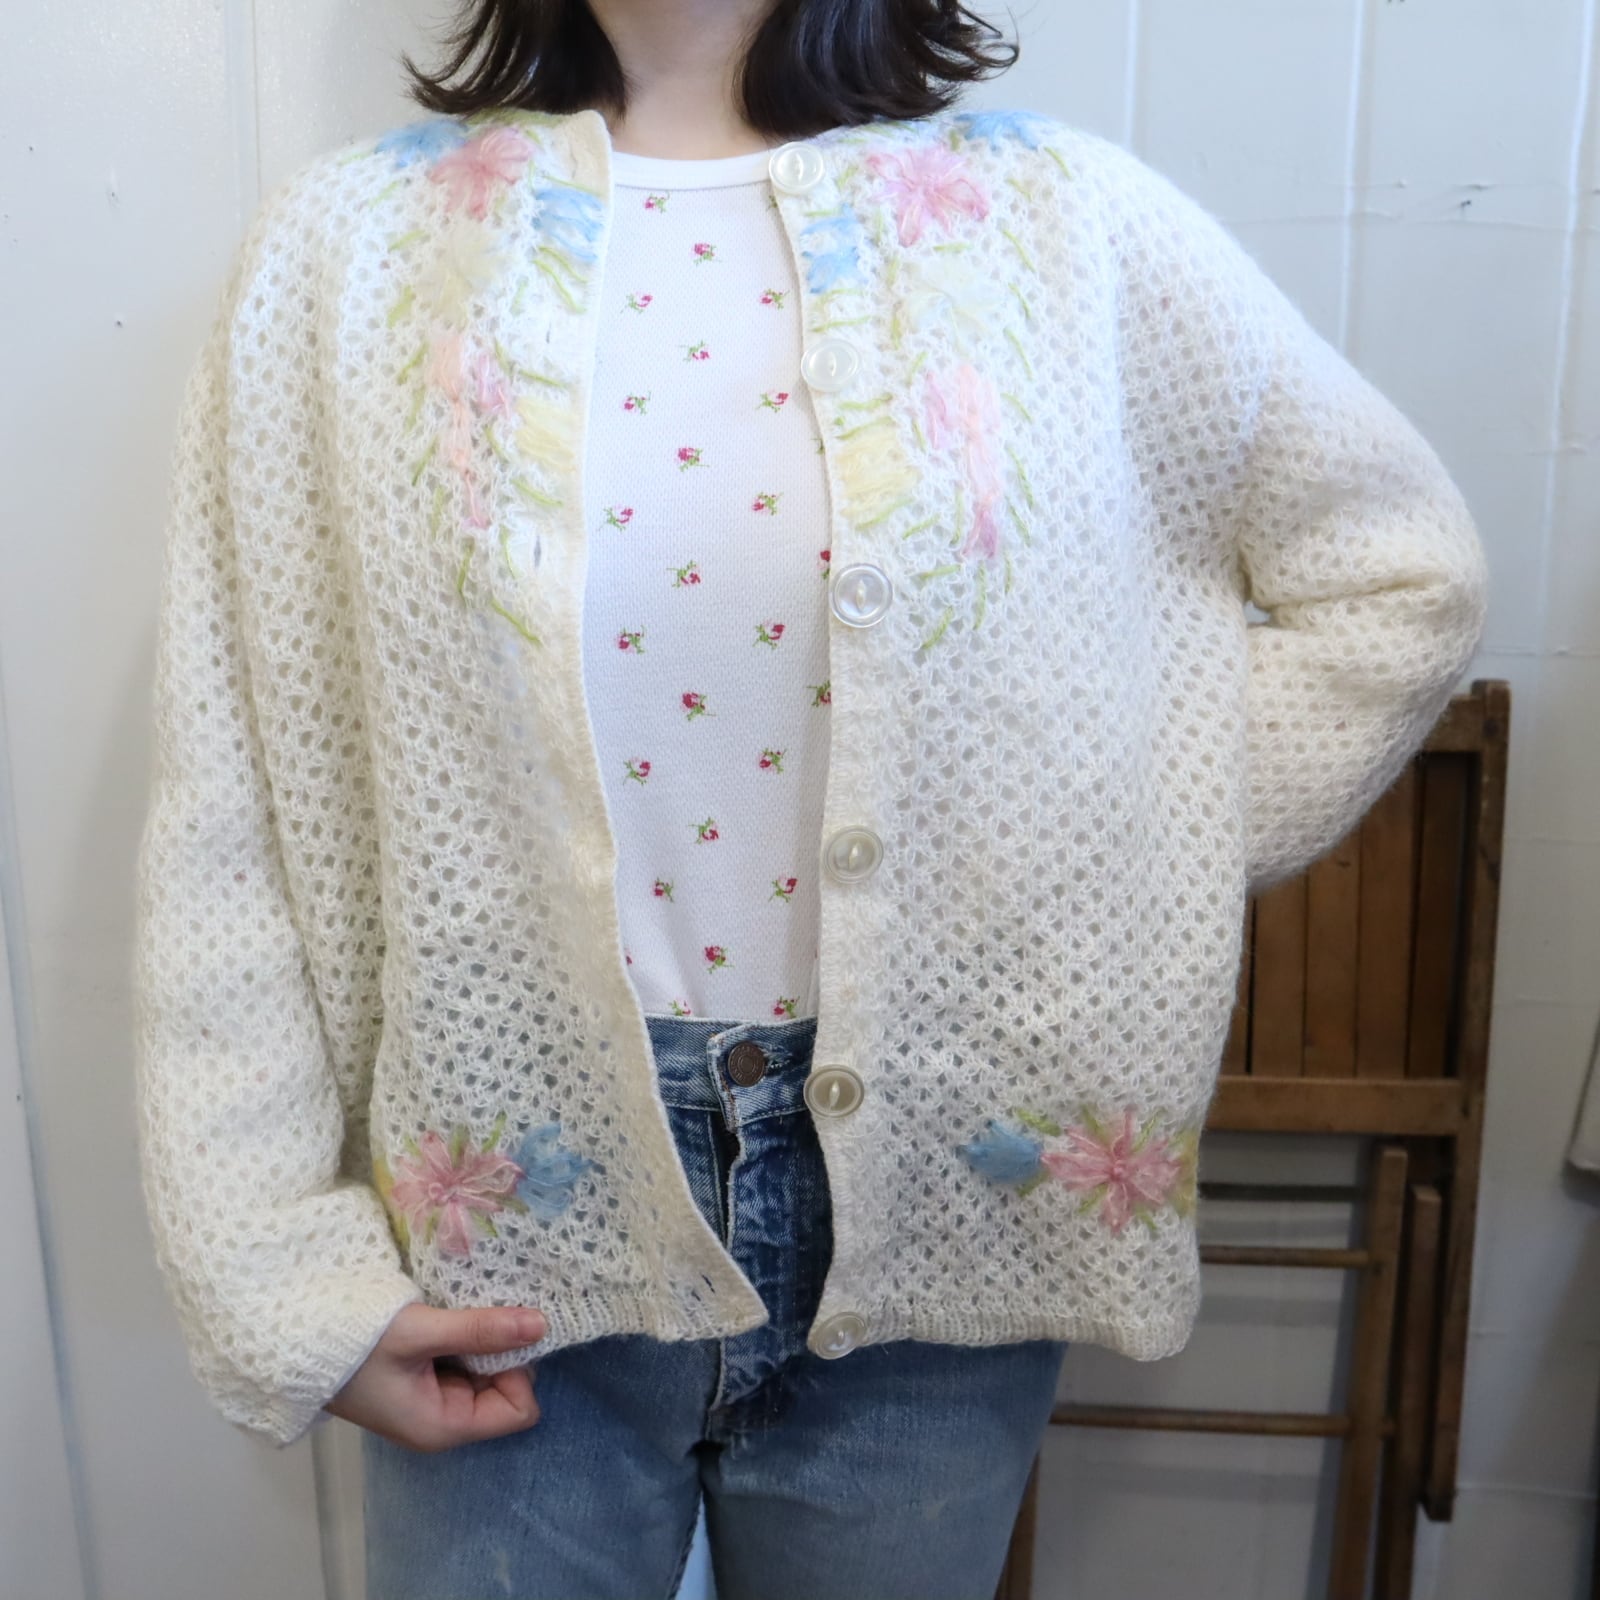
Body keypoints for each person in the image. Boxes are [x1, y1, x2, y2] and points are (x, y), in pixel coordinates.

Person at [130, 0, 1490, 1595]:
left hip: (945, 1182)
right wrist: (284, 1281)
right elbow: (241, 798)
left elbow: (1395, 577)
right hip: (513, 1202)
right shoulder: (348, 254)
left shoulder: (1067, 225)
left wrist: (1104, 870)